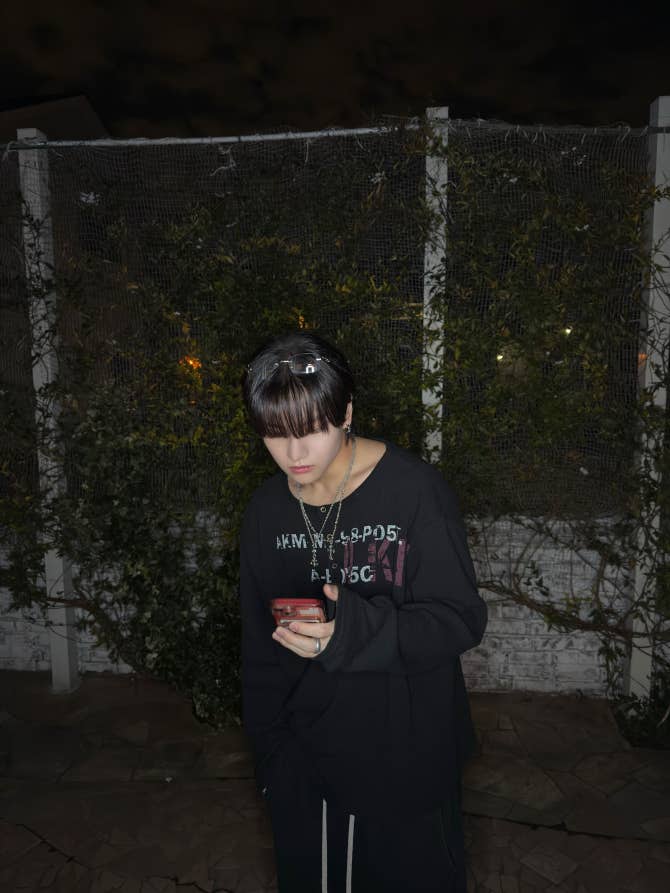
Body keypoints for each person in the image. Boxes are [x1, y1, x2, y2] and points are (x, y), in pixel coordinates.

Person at [239, 330, 487, 893]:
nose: (295, 455)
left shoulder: (415, 491)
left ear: (346, 413)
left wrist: (349, 632)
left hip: (406, 756)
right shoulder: (265, 512)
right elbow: (257, 649)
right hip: (305, 763)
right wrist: (269, 758)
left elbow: (461, 618)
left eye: (311, 429)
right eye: (276, 434)